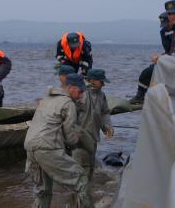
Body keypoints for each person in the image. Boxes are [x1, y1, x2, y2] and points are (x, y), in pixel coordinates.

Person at [24, 74, 94, 208]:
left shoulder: (46, 99)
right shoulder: (68, 103)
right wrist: (76, 139)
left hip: (30, 147)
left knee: (42, 191)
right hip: (47, 148)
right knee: (81, 180)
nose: (80, 95)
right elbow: (70, 137)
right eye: (80, 91)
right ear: (71, 87)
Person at [74, 69, 114, 180]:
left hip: (93, 138)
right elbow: (69, 114)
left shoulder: (101, 95)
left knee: (90, 169)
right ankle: (78, 195)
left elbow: (104, 113)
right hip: (78, 139)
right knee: (79, 170)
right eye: (101, 82)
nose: (104, 84)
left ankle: (86, 194)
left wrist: (107, 127)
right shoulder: (80, 93)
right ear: (92, 80)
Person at [129, 12, 174, 104]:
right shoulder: (163, 32)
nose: (166, 26)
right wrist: (163, 55)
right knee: (146, 72)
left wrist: (162, 58)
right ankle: (141, 96)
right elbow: (169, 48)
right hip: (168, 58)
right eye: (164, 24)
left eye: (167, 23)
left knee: (148, 72)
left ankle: (143, 96)